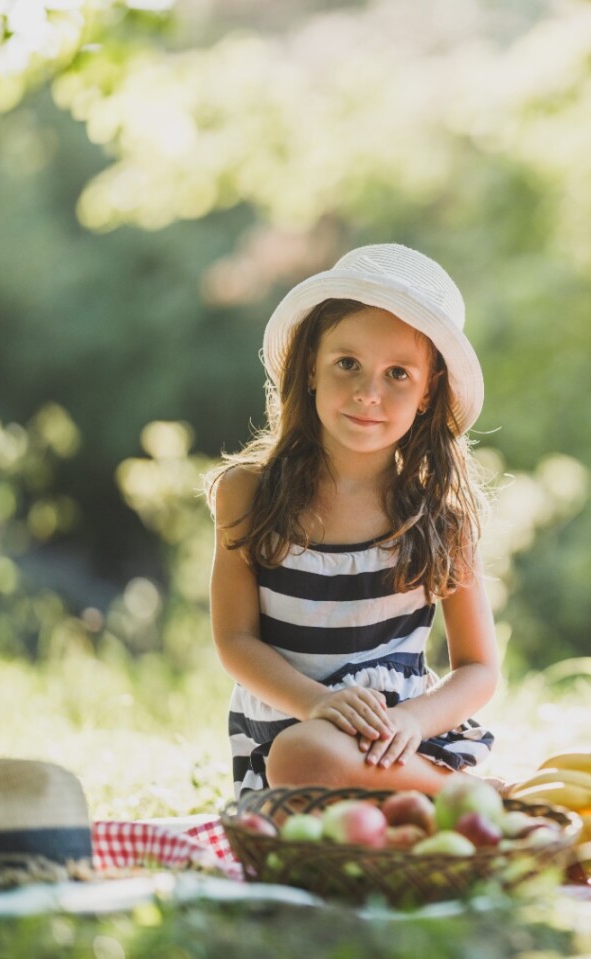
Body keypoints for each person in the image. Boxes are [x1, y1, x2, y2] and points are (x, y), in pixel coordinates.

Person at [205, 243, 497, 799]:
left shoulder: (438, 513)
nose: (368, 393)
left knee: (317, 759)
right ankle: (468, 800)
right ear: (310, 367)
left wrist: (413, 722)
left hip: (399, 749)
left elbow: (479, 667)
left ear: (428, 391)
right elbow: (235, 640)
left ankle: (462, 795)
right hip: (291, 748)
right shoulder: (249, 494)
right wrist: (316, 703)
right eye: (347, 364)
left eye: (398, 374)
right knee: (302, 752)